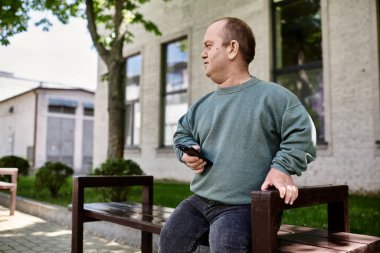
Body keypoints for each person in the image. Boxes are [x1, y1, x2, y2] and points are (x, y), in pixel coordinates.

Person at [159, 17, 316, 253]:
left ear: (232, 48)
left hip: (245, 206)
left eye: (209, 46)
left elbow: (304, 133)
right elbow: (182, 134)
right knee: (169, 238)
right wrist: (187, 152)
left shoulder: (274, 97)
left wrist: (282, 167)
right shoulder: (202, 105)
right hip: (200, 200)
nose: (203, 54)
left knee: (225, 245)